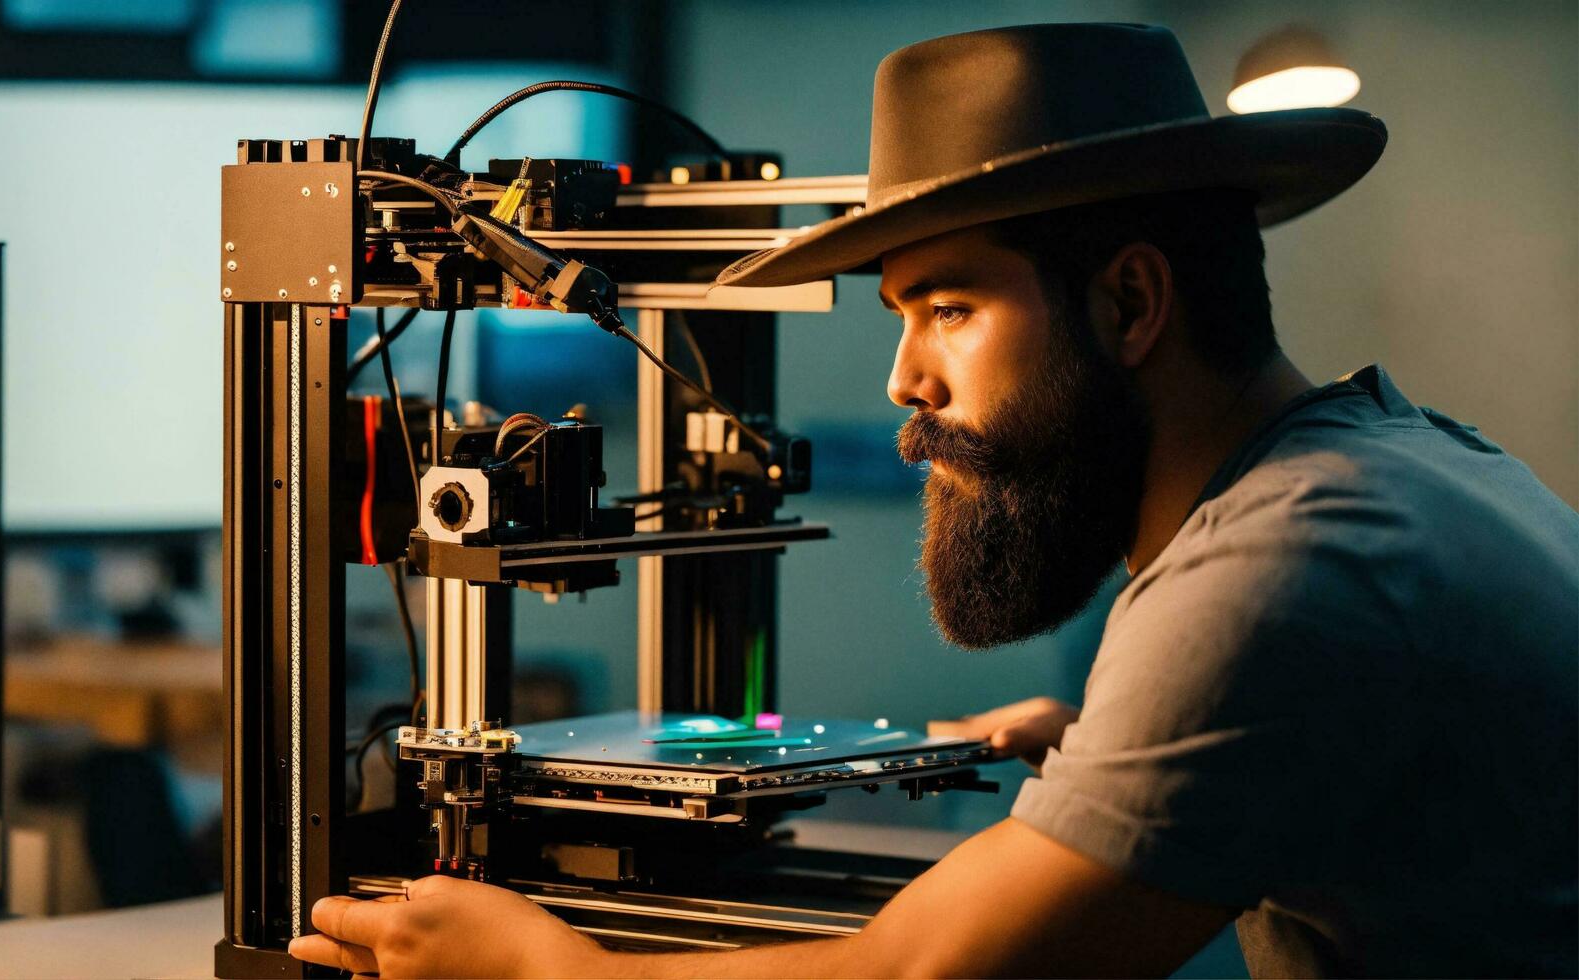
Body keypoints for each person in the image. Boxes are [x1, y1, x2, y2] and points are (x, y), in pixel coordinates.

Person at [291, 22, 1579, 977]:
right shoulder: (1399, 465)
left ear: (1131, 303)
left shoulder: (1280, 572)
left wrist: (539, 971)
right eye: (904, 316)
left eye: (950, 309)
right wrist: (1103, 737)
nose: (905, 377)